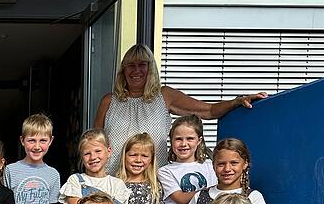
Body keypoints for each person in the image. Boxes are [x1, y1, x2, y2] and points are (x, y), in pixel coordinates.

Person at [95, 43, 267, 172]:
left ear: (151, 69)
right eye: (131, 65)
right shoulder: (109, 101)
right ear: (123, 70)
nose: (136, 70)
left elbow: (208, 111)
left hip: (155, 184)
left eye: (142, 65)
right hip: (113, 183)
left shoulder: (164, 96)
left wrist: (236, 102)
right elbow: (95, 146)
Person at [59, 128, 130, 204]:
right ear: (82, 156)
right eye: (87, 154)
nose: (93, 157)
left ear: (108, 151)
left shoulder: (117, 184)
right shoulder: (75, 180)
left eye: (98, 151)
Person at [158, 115, 217, 204]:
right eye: (178, 139)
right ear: (171, 140)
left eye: (190, 138)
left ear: (199, 141)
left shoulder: (210, 166)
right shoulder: (165, 171)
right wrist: (210, 190)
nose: (184, 144)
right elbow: (181, 199)